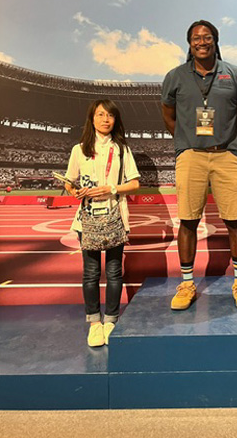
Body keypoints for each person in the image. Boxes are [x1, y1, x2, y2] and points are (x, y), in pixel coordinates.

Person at [161, 20, 237, 310]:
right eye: (195, 38)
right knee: (188, 220)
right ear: (189, 43)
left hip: (227, 154)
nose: (201, 42)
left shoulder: (234, 74)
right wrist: (186, 142)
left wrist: (225, 137)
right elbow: (168, 115)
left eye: (207, 37)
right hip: (191, 155)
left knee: (234, 219)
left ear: (215, 40)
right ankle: (187, 283)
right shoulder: (175, 76)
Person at [65, 99, 140, 347]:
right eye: (100, 114)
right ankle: (94, 323)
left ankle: (111, 320)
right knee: (91, 273)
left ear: (115, 120)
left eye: (109, 115)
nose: (105, 119)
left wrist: (111, 188)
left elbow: (135, 184)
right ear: (92, 119)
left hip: (115, 214)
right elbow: (69, 182)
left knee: (114, 271)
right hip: (86, 219)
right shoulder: (79, 150)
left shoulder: (122, 149)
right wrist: (74, 190)